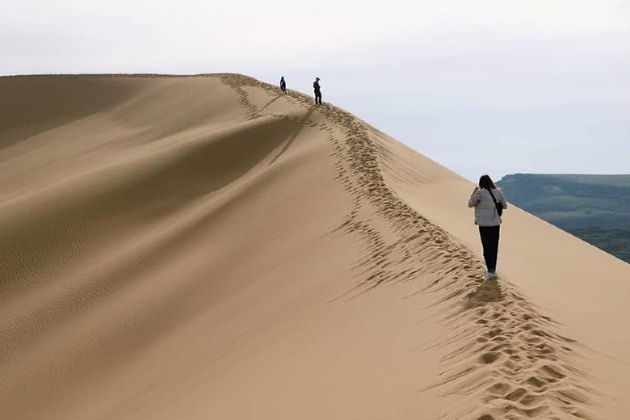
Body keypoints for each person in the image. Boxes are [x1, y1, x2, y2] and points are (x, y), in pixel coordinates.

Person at [468, 174, 508, 280]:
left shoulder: (480, 193)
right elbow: (505, 206)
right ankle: (493, 270)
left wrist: (473, 193)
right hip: (495, 223)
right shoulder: (498, 192)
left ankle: (489, 270)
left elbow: (470, 204)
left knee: (486, 247)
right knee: (494, 247)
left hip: (484, 224)